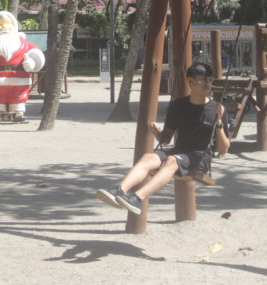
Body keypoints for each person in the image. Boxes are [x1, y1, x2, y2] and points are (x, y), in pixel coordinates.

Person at [96, 63, 231, 214]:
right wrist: (156, 133)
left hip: (200, 157)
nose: (207, 83)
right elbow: (166, 139)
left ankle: (137, 198)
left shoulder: (217, 109)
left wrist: (219, 123)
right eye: (203, 79)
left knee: (171, 160)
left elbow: (224, 149)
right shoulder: (178, 105)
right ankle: (120, 190)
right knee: (148, 157)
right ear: (191, 81)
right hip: (179, 152)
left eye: (210, 80)